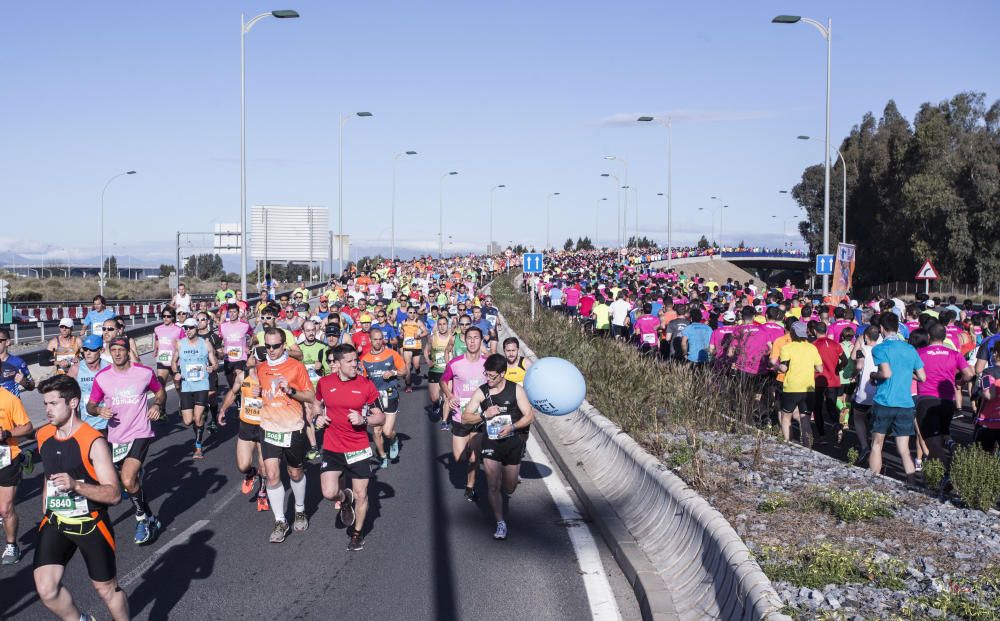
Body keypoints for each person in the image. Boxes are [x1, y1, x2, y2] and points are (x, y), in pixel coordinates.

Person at [32, 374, 128, 621]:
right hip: (56, 521)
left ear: (73, 403)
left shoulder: (93, 441)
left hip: (91, 524)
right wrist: (46, 508)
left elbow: (114, 494)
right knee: (46, 589)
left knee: (106, 590)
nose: (47, 410)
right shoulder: (43, 436)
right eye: (45, 404)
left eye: (53, 403)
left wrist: (75, 485)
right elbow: (48, 474)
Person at [87, 336, 166, 545]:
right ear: (109, 352)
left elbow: (159, 391)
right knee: (127, 482)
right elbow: (90, 405)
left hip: (140, 432)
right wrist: (98, 410)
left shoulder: (143, 373)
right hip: (116, 436)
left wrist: (157, 405)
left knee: (129, 479)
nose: (117, 354)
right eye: (113, 350)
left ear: (127, 351)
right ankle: (150, 517)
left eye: (121, 349)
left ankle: (141, 520)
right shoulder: (102, 377)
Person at [314, 344, 386, 551]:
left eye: (356, 360)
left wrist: (363, 419)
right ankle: (345, 499)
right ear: (336, 364)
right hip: (333, 446)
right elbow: (316, 404)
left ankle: (357, 533)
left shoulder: (365, 385)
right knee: (328, 492)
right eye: (350, 361)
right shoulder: (325, 383)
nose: (355, 364)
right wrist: (317, 417)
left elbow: (379, 416)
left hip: (358, 447)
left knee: (362, 494)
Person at [462, 353, 535, 540]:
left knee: (509, 487)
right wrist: (484, 415)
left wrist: (513, 427)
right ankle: (500, 523)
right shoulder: (482, 392)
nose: (488, 379)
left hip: (512, 441)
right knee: (493, 484)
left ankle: (507, 484)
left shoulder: (516, 390)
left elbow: (529, 416)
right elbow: (465, 417)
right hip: (491, 442)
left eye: (492, 376)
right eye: (486, 374)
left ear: (503, 373)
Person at [255, 327, 317, 543]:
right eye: (267, 346)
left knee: (295, 473)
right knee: (271, 474)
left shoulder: (296, 366)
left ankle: (299, 510)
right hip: (269, 428)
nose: (271, 350)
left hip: (292, 428)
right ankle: (280, 520)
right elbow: (260, 393)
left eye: (275, 346)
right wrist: (257, 393)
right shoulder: (260, 368)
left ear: (284, 345)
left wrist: (291, 391)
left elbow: (310, 395)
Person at [868, 313, 926, 484]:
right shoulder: (910, 349)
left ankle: (873, 481)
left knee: (877, 444)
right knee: (904, 449)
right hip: (905, 403)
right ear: (898, 328)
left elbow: (886, 373)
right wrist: (907, 373)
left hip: (885, 401)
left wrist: (873, 374)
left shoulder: (879, 349)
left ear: (881, 329)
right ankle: (912, 484)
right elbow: (922, 377)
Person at [219, 347, 270, 512]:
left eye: (251, 356)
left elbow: (282, 398)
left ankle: (262, 493)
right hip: (247, 426)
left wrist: (265, 392)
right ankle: (250, 473)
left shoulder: (271, 378)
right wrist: (223, 410)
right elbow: (233, 393)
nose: (248, 358)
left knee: (265, 466)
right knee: (242, 465)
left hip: (265, 426)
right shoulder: (243, 376)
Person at [441, 326, 488, 502]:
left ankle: (470, 487)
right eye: (469, 338)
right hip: (459, 416)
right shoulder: (455, 363)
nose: (473, 341)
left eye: (476, 338)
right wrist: (450, 395)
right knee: (459, 457)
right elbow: (443, 380)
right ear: (464, 340)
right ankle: (473, 455)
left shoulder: (487, 363)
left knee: (474, 457)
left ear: (481, 340)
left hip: (478, 416)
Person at [915, 322, 973, 465]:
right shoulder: (954, 354)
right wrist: (959, 383)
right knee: (942, 435)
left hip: (926, 400)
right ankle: (951, 449)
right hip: (947, 401)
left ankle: (947, 472)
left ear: (929, 336)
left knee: (932, 442)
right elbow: (970, 374)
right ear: (945, 337)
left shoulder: (920, 353)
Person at [172, 318, 218, 459]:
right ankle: (200, 424)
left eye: (191, 328)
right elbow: (174, 362)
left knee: (198, 419)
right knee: (187, 421)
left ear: (196, 328)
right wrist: (176, 372)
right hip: (186, 386)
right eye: (185, 328)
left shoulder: (205, 344)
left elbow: (215, 363)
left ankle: (198, 446)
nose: (188, 331)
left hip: (201, 385)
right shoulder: (180, 344)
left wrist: (212, 368)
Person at [360, 328, 405, 469]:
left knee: (386, 431)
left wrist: (393, 372)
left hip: (391, 396)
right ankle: (382, 456)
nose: (378, 342)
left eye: (380, 339)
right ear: (370, 340)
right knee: (377, 431)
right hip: (374, 399)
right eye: (375, 339)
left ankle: (393, 439)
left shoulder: (392, 354)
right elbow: (362, 380)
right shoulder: (365, 359)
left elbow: (404, 371)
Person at [0, 385, 33, 564]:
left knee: (5, 509)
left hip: (6, 457)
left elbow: (28, 427)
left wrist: (6, 433)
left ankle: (12, 545)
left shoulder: (9, 399)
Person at [777, 322, 823, 446]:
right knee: (805, 420)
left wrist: (777, 365)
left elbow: (783, 368)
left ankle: (787, 443)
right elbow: (820, 369)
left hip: (791, 387)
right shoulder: (812, 348)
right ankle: (808, 448)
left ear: (792, 333)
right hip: (808, 388)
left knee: (786, 418)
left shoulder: (787, 347)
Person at [67, 335, 110, 433]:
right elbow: (66, 395)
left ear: (101, 350)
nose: (88, 353)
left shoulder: (109, 368)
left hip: (107, 423)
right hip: (85, 424)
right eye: (85, 349)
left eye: (92, 349)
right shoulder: (75, 370)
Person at [425, 315, 453, 422]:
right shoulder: (432, 338)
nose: (442, 327)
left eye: (444, 324)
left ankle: (445, 418)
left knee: (448, 396)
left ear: (447, 325)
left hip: (447, 372)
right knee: (434, 398)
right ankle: (436, 403)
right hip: (435, 370)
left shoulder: (452, 338)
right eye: (440, 324)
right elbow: (426, 350)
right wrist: (428, 361)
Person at [152, 308, 184, 400]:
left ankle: (183, 404)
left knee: (178, 386)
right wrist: (155, 350)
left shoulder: (179, 330)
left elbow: (183, 344)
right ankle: (163, 410)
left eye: (168, 316)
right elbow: (157, 340)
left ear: (173, 317)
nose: (165, 318)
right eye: (164, 316)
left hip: (175, 362)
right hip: (162, 361)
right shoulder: (157, 329)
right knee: (160, 387)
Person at [974, 340, 1000, 453]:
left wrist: (979, 392)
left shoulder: (988, 372)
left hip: (988, 420)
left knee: (983, 454)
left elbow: (989, 395)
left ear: (996, 354)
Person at [399, 307, 429, 392]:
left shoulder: (418, 322)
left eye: (413, 312)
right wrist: (401, 335)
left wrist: (419, 336)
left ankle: (417, 369)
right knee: (407, 364)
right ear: (407, 313)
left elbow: (426, 332)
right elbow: (401, 332)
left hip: (416, 346)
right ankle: (408, 385)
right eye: (410, 312)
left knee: (416, 365)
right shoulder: (403, 322)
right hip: (407, 347)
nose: (412, 314)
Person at [0, 328, 35, 398]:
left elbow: (32, 386)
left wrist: (23, 382)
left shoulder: (18, 362)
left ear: (7, 342)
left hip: (12, 406)